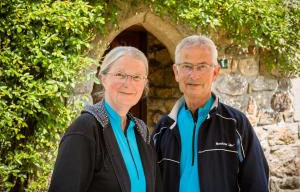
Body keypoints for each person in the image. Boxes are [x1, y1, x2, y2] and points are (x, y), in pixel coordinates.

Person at [152, 35, 269, 192]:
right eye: (187, 66)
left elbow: (256, 183)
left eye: (202, 67)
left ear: (215, 72)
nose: (194, 75)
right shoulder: (163, 128)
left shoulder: (236, 124)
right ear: (176, 72)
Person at [49, 46, 160, 192]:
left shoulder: (142, 132)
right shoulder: (85, 129)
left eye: (137, 77)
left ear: (144, 84)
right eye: (120, 74)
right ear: (103, 78)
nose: (128, 83)